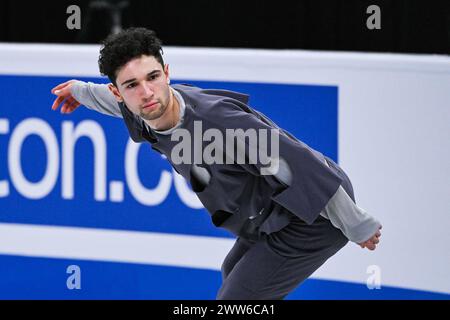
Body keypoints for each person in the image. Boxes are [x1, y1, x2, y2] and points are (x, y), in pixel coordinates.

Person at [50, 27, 382, 300]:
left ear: (167, 73)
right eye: (132, 85)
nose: (147, 92)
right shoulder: (141, 112)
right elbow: (111, 102)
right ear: (119, 92)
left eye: (153, 77)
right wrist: (80, 91)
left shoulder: (217, 123)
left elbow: (297, 166)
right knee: (233, 276)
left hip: (313, 212)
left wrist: (354, 223)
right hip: (267, 216)